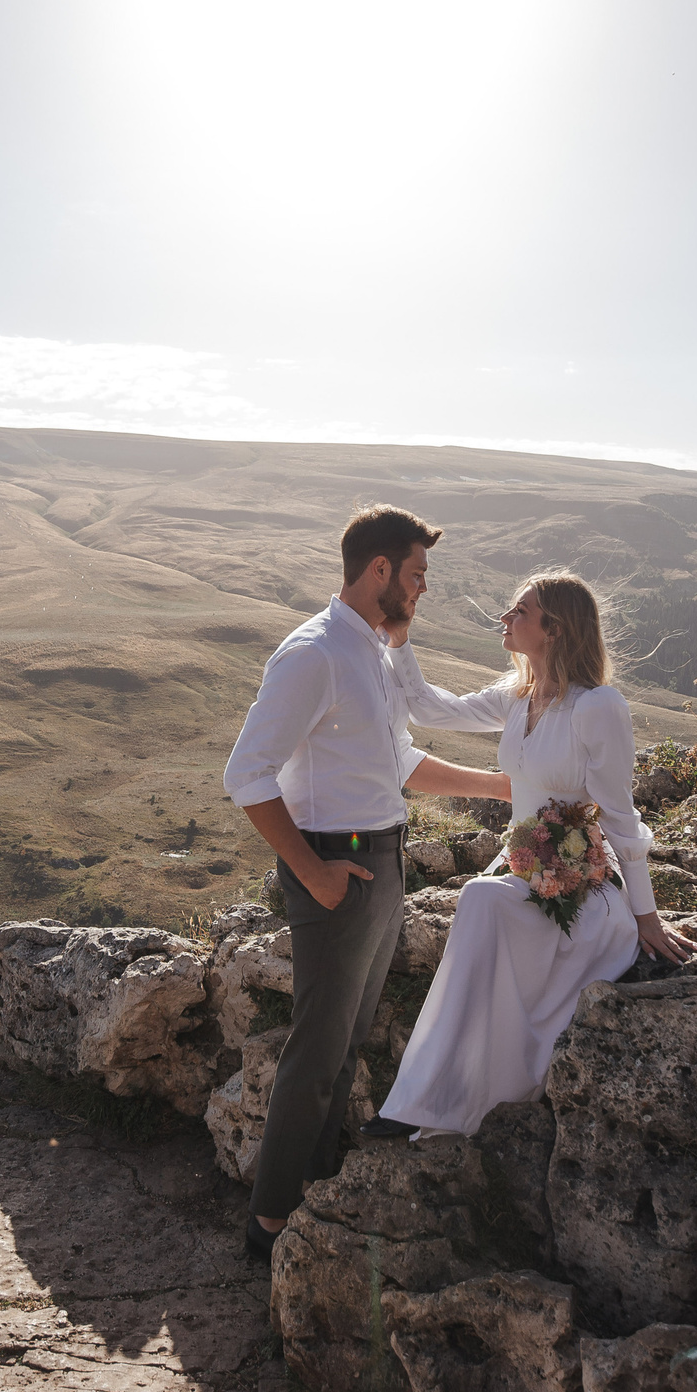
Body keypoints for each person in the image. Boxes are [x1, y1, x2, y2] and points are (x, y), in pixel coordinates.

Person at [221, 505, 513, 1263]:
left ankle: (317, 1193)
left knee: (346, 1043)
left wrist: (502, 784)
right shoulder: (314, 654)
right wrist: (311, 871)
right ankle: (270, 1224)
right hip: (337, 865)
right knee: (317, 1051)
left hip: (382, 859)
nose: (423, 589)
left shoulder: (376, 653)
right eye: (417, 574)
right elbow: (245, 772)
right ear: (378, 570)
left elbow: (400, 760)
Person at [362, 571, 696, 1141]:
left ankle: (427, 1099)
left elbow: (619, 817)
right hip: (524, 874)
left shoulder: (598, 707)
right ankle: (427, 1098)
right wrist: (400, 638)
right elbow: (428, 708)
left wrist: (647, 917)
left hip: (584, 888)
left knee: (478, 899)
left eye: (519, 611)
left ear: (555, 629)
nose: (505, 619)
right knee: (483, 905)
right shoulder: (518, 697)